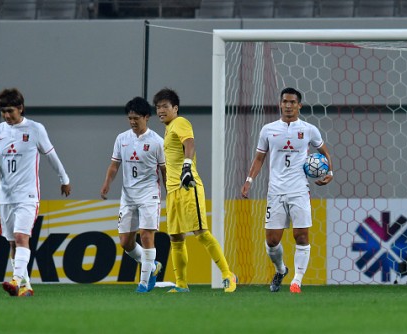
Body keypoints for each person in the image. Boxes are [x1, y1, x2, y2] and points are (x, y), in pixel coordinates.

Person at [0, 88, 71, 297]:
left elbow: (52, 155)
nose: (6, 115)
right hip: (5, 196)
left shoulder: (35, 129)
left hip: (28, 195)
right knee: (12, 242)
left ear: (20, 108)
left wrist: (65, 179)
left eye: (10, 111)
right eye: (3, 111)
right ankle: (26, 286)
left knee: (21, 236)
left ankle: (15, 281)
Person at [241, 87, 333, 294]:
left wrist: (331, 172)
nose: (288, 105)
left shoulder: (309, 129)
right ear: (280, 104)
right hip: (275, 191)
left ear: (299, 105)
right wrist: (249, 180)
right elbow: (259, 158)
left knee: (301, 235)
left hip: (300, 190)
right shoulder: (268, 129)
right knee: (272, 241)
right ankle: (281, 269)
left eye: (293, 102)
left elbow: (324, 151)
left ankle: (297, 281)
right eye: (285, 102)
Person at [153, 88, 237, 293]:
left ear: (175, 108)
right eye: (158, 107)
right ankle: (181, 284)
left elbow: (189, 143)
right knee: (175, 238)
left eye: (165, 106)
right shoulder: (168, 128)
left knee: (200, 233)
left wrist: (187, 166)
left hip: (188, 187)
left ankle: (228, 274)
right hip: (173, 191)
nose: (161, 110)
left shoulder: (180, 122)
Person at [100, 96, 166, 293]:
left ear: (146, 117)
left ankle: (144, 282)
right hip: (128, 197)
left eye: (136, 118)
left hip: (149, 195)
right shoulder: (122, 139)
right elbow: (114, 165)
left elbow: (164, 170)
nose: (132, 122)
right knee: (125, 242)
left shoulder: (157, 142)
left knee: (146, 235)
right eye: (130, 118)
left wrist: (170, 192)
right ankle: (152, 266)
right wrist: (107, 183)